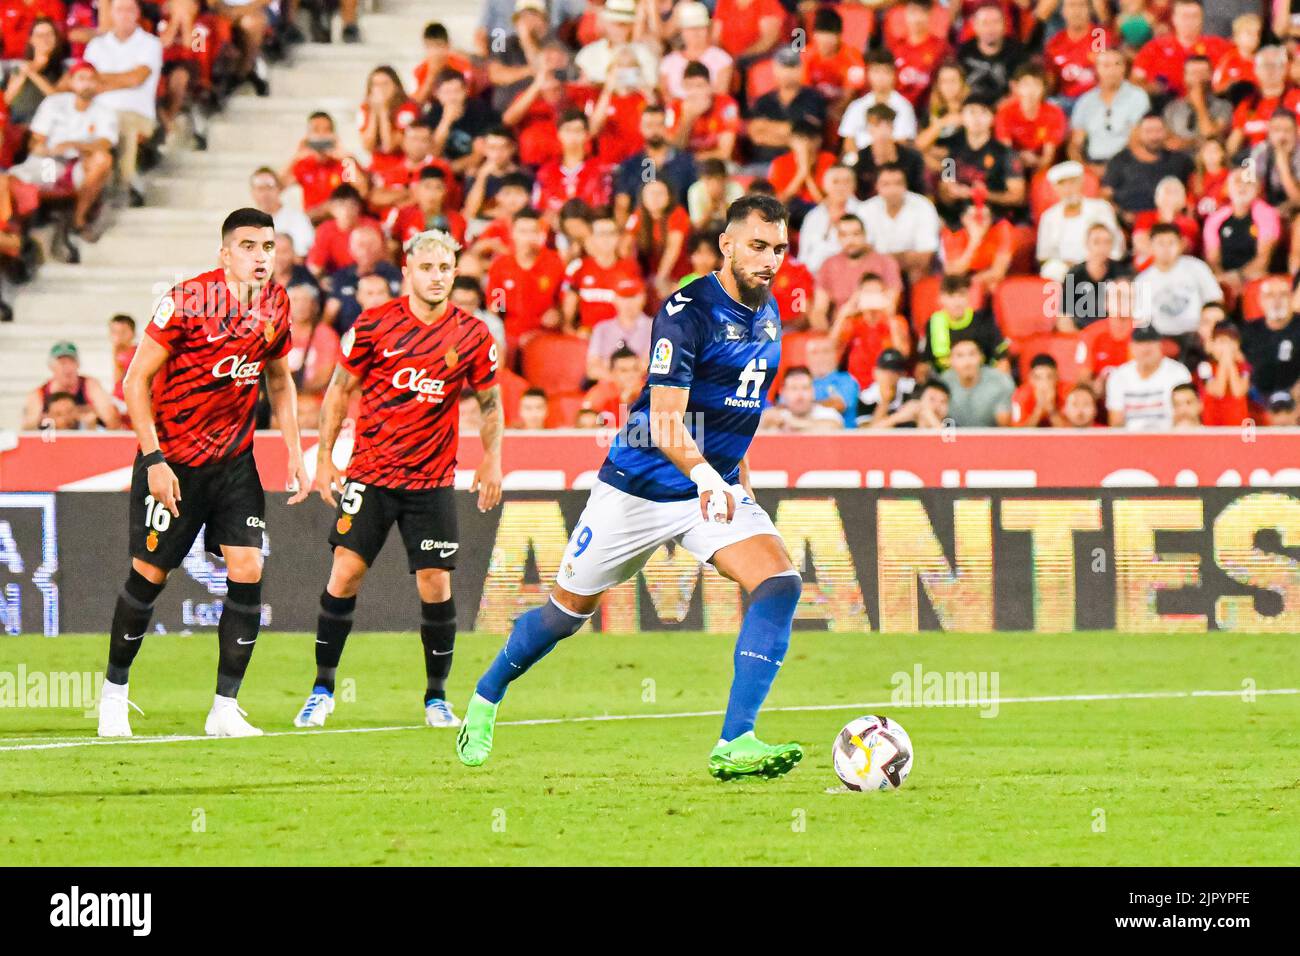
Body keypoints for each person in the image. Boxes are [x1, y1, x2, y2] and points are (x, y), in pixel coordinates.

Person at [458, 195, 807, 781]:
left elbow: (735, 417)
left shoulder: (770, 315)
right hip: (638, 488)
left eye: (778, 249)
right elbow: (667, 418)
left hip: (709, 489)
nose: (770, 259)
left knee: (779, 583)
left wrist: (740, 487)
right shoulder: (686, 309)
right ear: (726, 243)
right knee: (566, 613)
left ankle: (735, 739)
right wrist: (703, 476)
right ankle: (487, 694)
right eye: (757, 246)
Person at [97, 207, 310, 739]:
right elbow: (135, 381)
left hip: (234, 465)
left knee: (247, 568)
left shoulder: (277, 303)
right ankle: (114, 697)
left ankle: (223, 709)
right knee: (149, 577)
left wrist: (295, 452)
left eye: (267, 246)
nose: (259, 257)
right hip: (174, 461)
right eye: (247, 246)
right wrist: (153, 461)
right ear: (224, 253)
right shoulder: (188, 301)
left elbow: (279, 381)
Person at [296, 230, 503, 731]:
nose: (437, 276)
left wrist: (493, 457)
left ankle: (436, 698)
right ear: (407, 271)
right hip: (370, 473)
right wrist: (323, 458)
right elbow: (339, 391)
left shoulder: (472, 334)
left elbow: (491, 401)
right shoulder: (373, 325)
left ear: (454, 273)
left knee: (435, 584)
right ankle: (322, 690)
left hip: (432, 481)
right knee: (344, 574)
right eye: (427, 267)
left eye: (445, 268)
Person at [8, 59, 117, 246]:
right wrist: (47, 148)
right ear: (72, 82)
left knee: (103, 159)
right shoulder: (54, 103)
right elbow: (37, 138)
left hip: (78, 163)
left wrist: (74, 144)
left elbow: (106, 142)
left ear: (97, 84)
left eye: (91, 79)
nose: (87, 83)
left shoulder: (104, 111)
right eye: (81, 78)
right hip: (50, 161)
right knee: (14, 180)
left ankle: (78, 219)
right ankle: (17, 230)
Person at [82, 0, 163, 208]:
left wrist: (102, 81)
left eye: (129, 9)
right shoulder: (96, 45)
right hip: (96, 111)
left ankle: (125, 185)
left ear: (138, 13)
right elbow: (87, 79)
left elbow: (137, 78)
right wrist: (120, 79)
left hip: (136, 112)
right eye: (119, 10)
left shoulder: (150, 43)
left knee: (120, 124)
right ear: (111, 13)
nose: (124, 15)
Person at [1036, 161, 1124, 280]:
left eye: (1072, 183)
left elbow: (1116, 244)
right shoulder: (1049, 216)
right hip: (1064, 271)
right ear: (1055, 188)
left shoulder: (1101, 208)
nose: (1068, 189)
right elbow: (1044, 255)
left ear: (1081, 183)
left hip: (1099, 264)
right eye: (1062, 184)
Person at [1132, 223, 1223, 338]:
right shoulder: (1142, 280)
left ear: (1181, 245)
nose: (1166, 249)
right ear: (1151, 246)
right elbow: (1141, 320)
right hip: (1161, 338)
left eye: (1171, 243)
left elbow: (1215, 301)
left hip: (1197, 334)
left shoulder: (1197, 267)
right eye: (1160, 243)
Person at [1104, 324, 1193, 429]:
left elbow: (1185, 413)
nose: (1145, 348)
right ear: (1131, 347)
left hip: (1169, 437)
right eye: (1140, 343)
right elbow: (1116, 422)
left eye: (1150, 342)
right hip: (1130, 440)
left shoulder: (1178, 372)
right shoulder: (1118, 376)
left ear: (1160, 345)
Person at [21, 339, 122, 430]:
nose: (67, 368)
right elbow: (28, 427)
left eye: (71, 362)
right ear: (51, 367)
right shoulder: (39, 394)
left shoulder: (90, 386)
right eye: (62, 363)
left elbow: (112, 420)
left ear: (78, 364)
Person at [1242, 275, 1300, 400]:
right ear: (1260, 301)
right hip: (1257, 400)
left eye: (1283, 295)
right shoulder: (1248, 332)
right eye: (1270, 296)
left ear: (1291, 298)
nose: (1277, 301)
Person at [939, 336, 1014, 427]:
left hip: (990, 438)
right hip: (954, 438)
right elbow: (938, 425)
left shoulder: (1000, 382)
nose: (967, 362)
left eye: (972, 354)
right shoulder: (942, 384)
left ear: (981, 358)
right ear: (950, 361)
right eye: (960, 355)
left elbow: (1005, 427)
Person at [586, 276, 652, 380]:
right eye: (624, 297)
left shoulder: (655, 327)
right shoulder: (602, 328)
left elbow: (648, 366)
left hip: (642, 386)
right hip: (608, 385)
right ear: (615, 299)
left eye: (633, 296)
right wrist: (619, 381)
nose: (629, 303)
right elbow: (592, 369)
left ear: (643, 298)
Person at [248, 166, 315, 258]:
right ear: (253, 192)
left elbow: (301, 256)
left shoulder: (298, 219)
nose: (265, 194)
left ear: (279, 189)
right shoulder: (245, 222)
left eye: (269, 188)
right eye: (260, 189)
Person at [760, 365, 845, 431]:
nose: (799, 395)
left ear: (813, 392)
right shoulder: (774, 416)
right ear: (783, 393)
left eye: (805, 388)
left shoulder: (828, 414)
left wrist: (794, 423)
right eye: (794, 388)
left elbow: (834, 426)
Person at [805, 334, 859, 427]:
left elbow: (838, 405)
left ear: (836, 355)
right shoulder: (799, 380)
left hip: (840, 437)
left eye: (826, 351)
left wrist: (801, 406)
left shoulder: (846, 380)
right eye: (814, 352)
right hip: (803, 436)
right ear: (806, 357)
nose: (820, 357)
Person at [855, 348, 917, 427]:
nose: (889, 375)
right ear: (875, 372)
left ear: (902, 374)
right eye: (884, 370)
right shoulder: (866, 399)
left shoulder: (911, 389)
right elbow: (867, 434)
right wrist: (886, 403)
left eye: (894, 371)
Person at [1011, 354, 1068, 427]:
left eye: (1049, 377)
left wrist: (1051, 408)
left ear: (1057, 377)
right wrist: (1039, 408)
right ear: (1031, 378)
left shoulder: (1067, 393)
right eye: (1038, 378)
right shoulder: (1020, 395)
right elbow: (1019, 433)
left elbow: (1070, 432)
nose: (1044, 383)